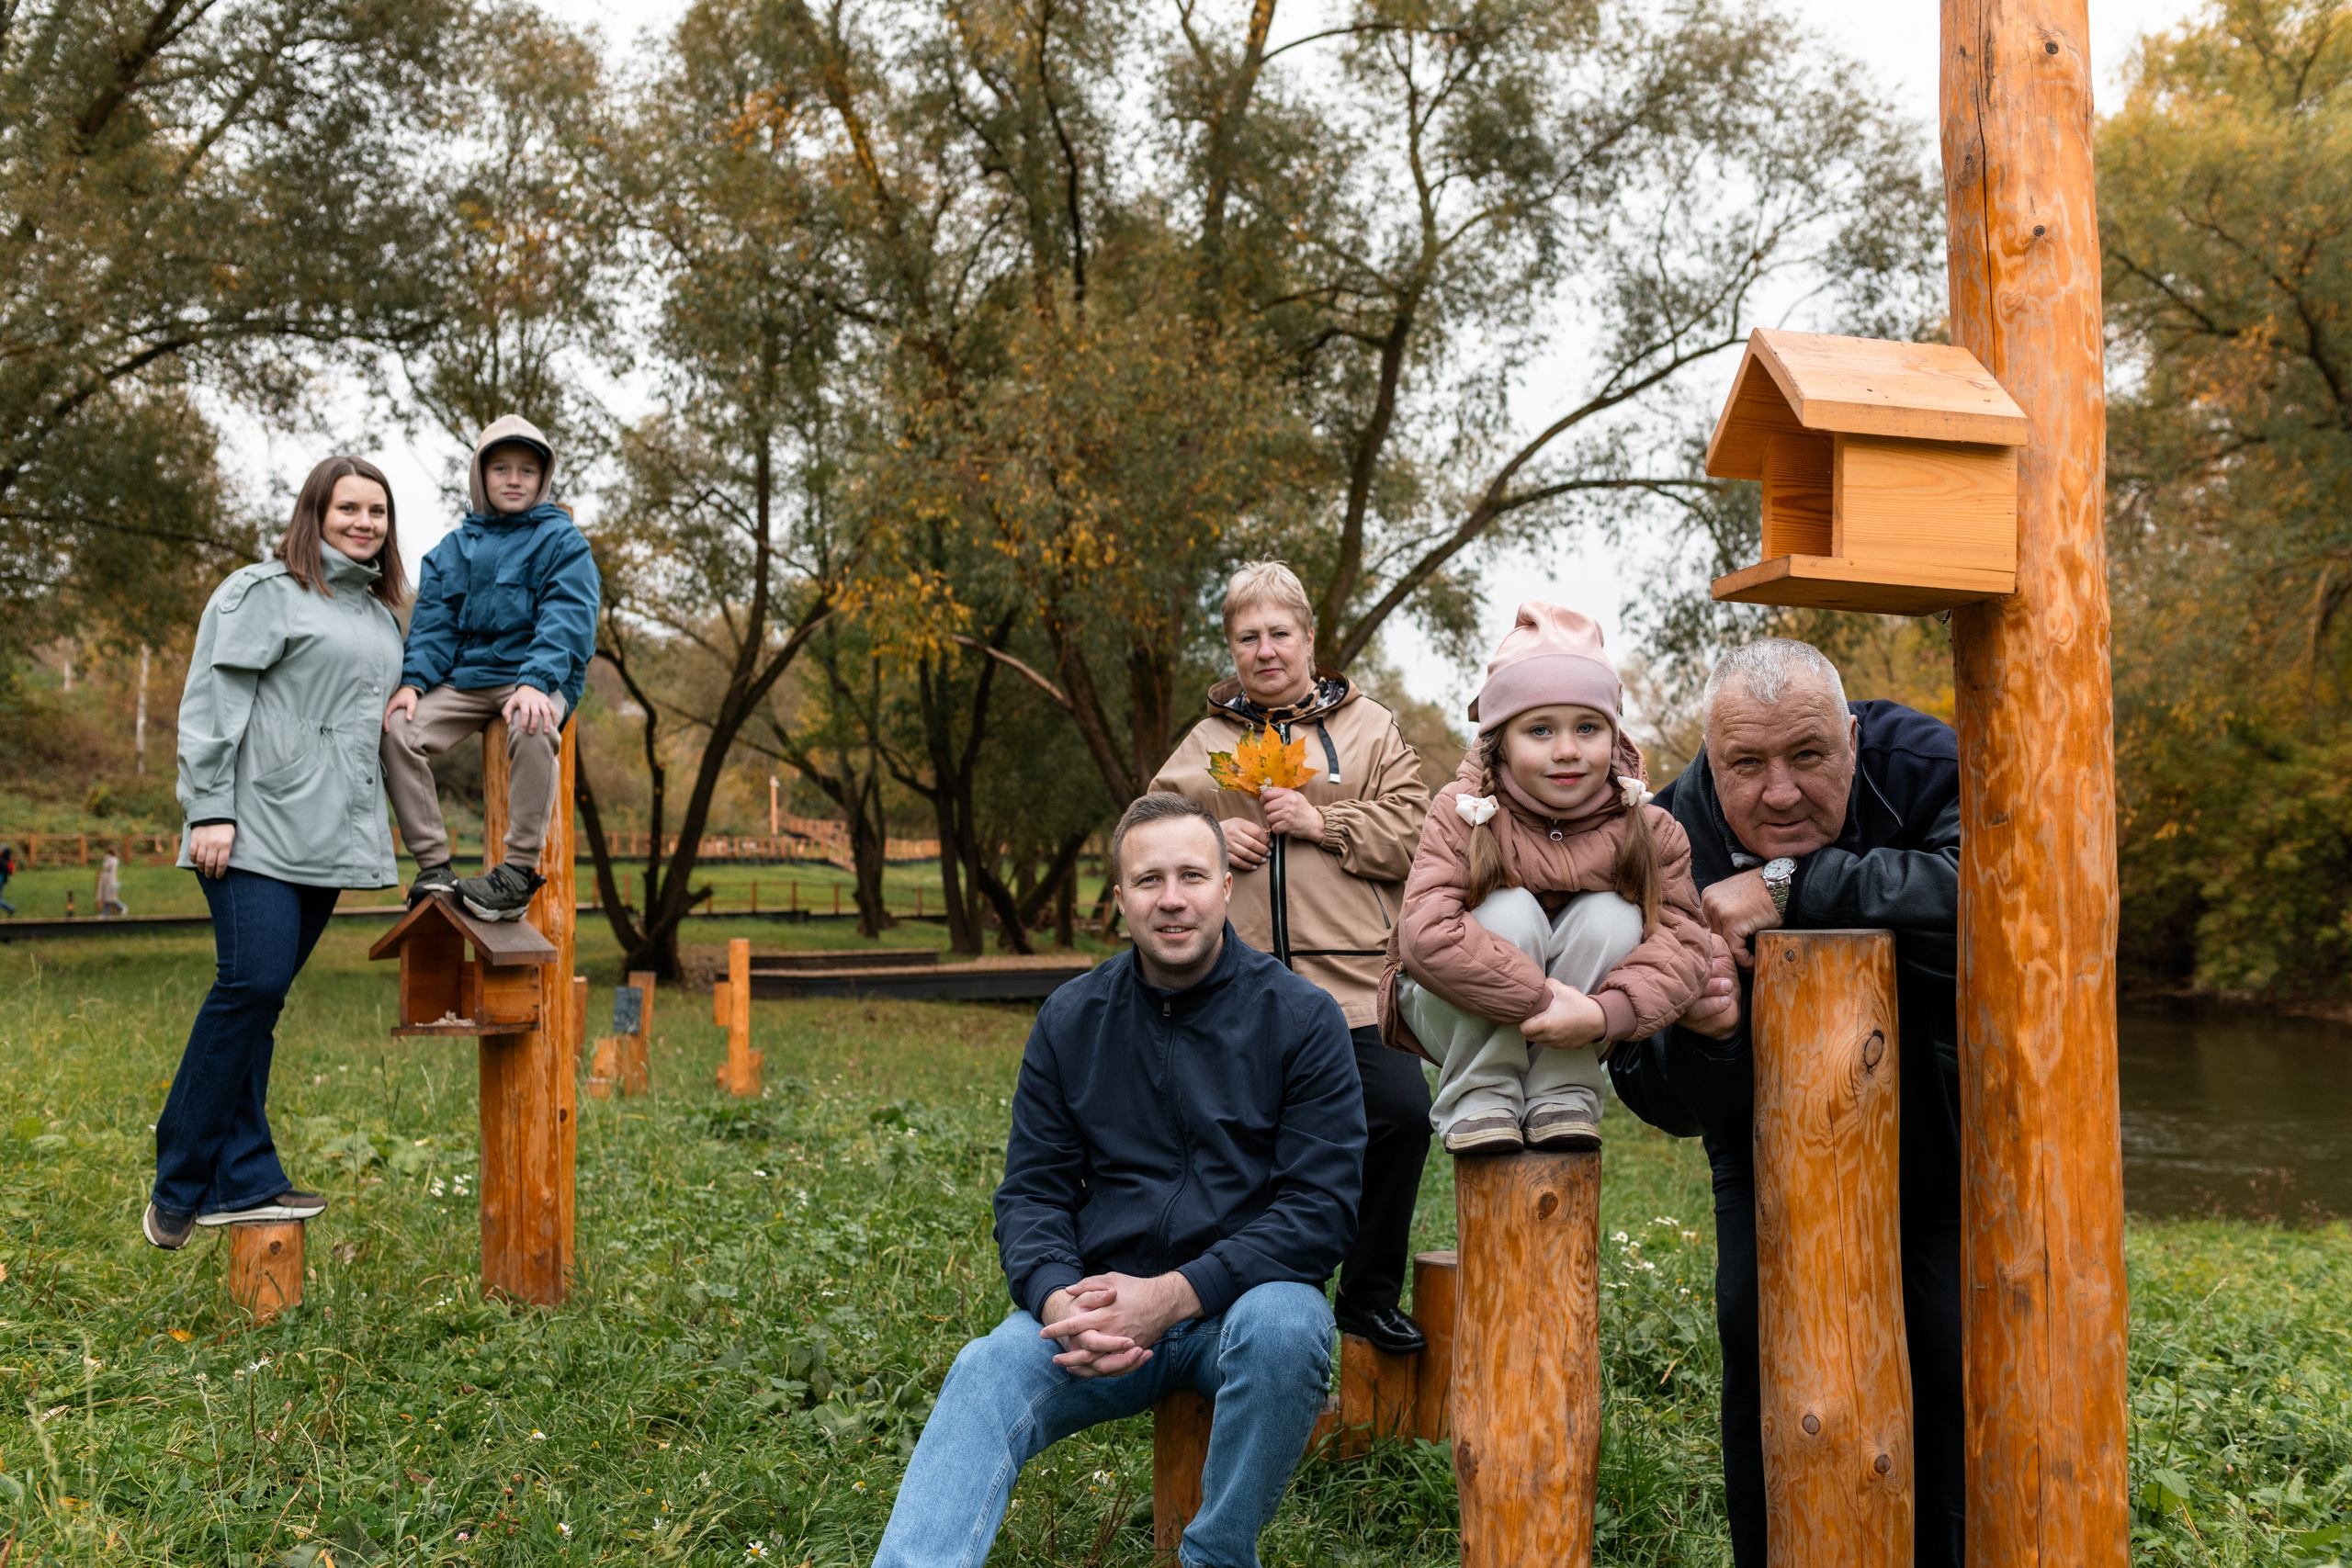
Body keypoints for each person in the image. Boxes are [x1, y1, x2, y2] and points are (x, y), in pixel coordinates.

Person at [873, 793, 1364, 1568]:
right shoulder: (1072, 1017)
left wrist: (1172, 1295)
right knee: (987, 1368)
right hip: (1098, 1313)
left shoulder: (1302, 1018)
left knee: (1288, 1327)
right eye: (1148, 880)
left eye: (1191, 875)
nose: (1172, 898)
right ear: (1120, 898)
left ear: (1225, 886)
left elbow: (1321, 1209)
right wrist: (1057, 1298)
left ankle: (1217, 1555)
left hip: (1242, 1303)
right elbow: (1032, 1192)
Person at [1608, 637, 1964, 1568]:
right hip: (1762, 1150)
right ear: (1709, 758)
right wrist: (1708, 1034)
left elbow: (2002, 905)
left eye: (1808, 755)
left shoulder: (1925, 765)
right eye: (1746, 765)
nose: (1779, 793)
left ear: (1852, 739)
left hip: (1943, 1134)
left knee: (1950, 1353)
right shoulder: (1663, 838)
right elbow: (1649, 1086)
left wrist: (1796, 886)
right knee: (1764, 1343)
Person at [1148, 560, 1432, 1354]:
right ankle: (1256, 1307)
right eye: (1248, 637)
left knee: (1401, 1117)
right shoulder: (1206, 743)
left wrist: (1324, 822)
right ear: (1232, 647)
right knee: (1243, 1145)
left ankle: (1367, 1296)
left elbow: (1421, 833)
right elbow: (1145, 832)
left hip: (1355, 984)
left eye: (1279, 633)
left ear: (1309, 638)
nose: (1265, 650)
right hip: (1238, 990)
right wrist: (1205, 837)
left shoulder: (1371, 728)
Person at [146, 456, 409, 1251]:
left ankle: (244, 1178)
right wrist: (209, 808)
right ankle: (179, 1174)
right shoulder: (262, 591)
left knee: (262, 1003)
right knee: (251, 983)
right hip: (251, 825)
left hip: (327, 838)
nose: (364, 522)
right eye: (348, 508)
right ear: (315, 512)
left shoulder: (382, 618)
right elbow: (212, 700)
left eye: (377, 511)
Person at [1379, 603, 1715, 1153]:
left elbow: (1685, 942)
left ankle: (1563, 1094)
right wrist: (1541, 1001)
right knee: (1507, 910)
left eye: (1588, 727)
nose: (1567, 751)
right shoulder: (1463, 812)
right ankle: (1480, 1095)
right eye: (1540, 729)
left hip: (1582, 1028)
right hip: (1451, 1011)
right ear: (1500, 741)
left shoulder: (1648, 828)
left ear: (1615, 736)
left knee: (1614, 914)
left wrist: (1601, 1014)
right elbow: (1427, 933)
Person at [380, 415, 598, 920]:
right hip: (468, 679)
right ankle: (434, 866)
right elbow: (433, 628)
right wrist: (413, 682)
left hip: (536, 677)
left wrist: (536, 681)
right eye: (501, 468)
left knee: (533, 722)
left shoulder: (563, 543)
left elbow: (567, 617)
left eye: (527, 470)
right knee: (396, 728)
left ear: (543, 478)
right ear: (480, 476)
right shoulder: (450, 552)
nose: (514, 479)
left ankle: (517, 872)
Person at [96, 852, 127, 918]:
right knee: (106, 898)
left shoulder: (114, 861)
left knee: (111, 899)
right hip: (105, 881)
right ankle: (106, 914)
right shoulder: (107, 859)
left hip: (110, 882)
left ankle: (122, 907)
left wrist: (112, 883)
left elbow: (113, 873)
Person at [0, 842, 16, 915]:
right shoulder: (4, 860)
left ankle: (10, 908)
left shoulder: (2, 861)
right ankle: (10, 909)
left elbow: (7, 870)